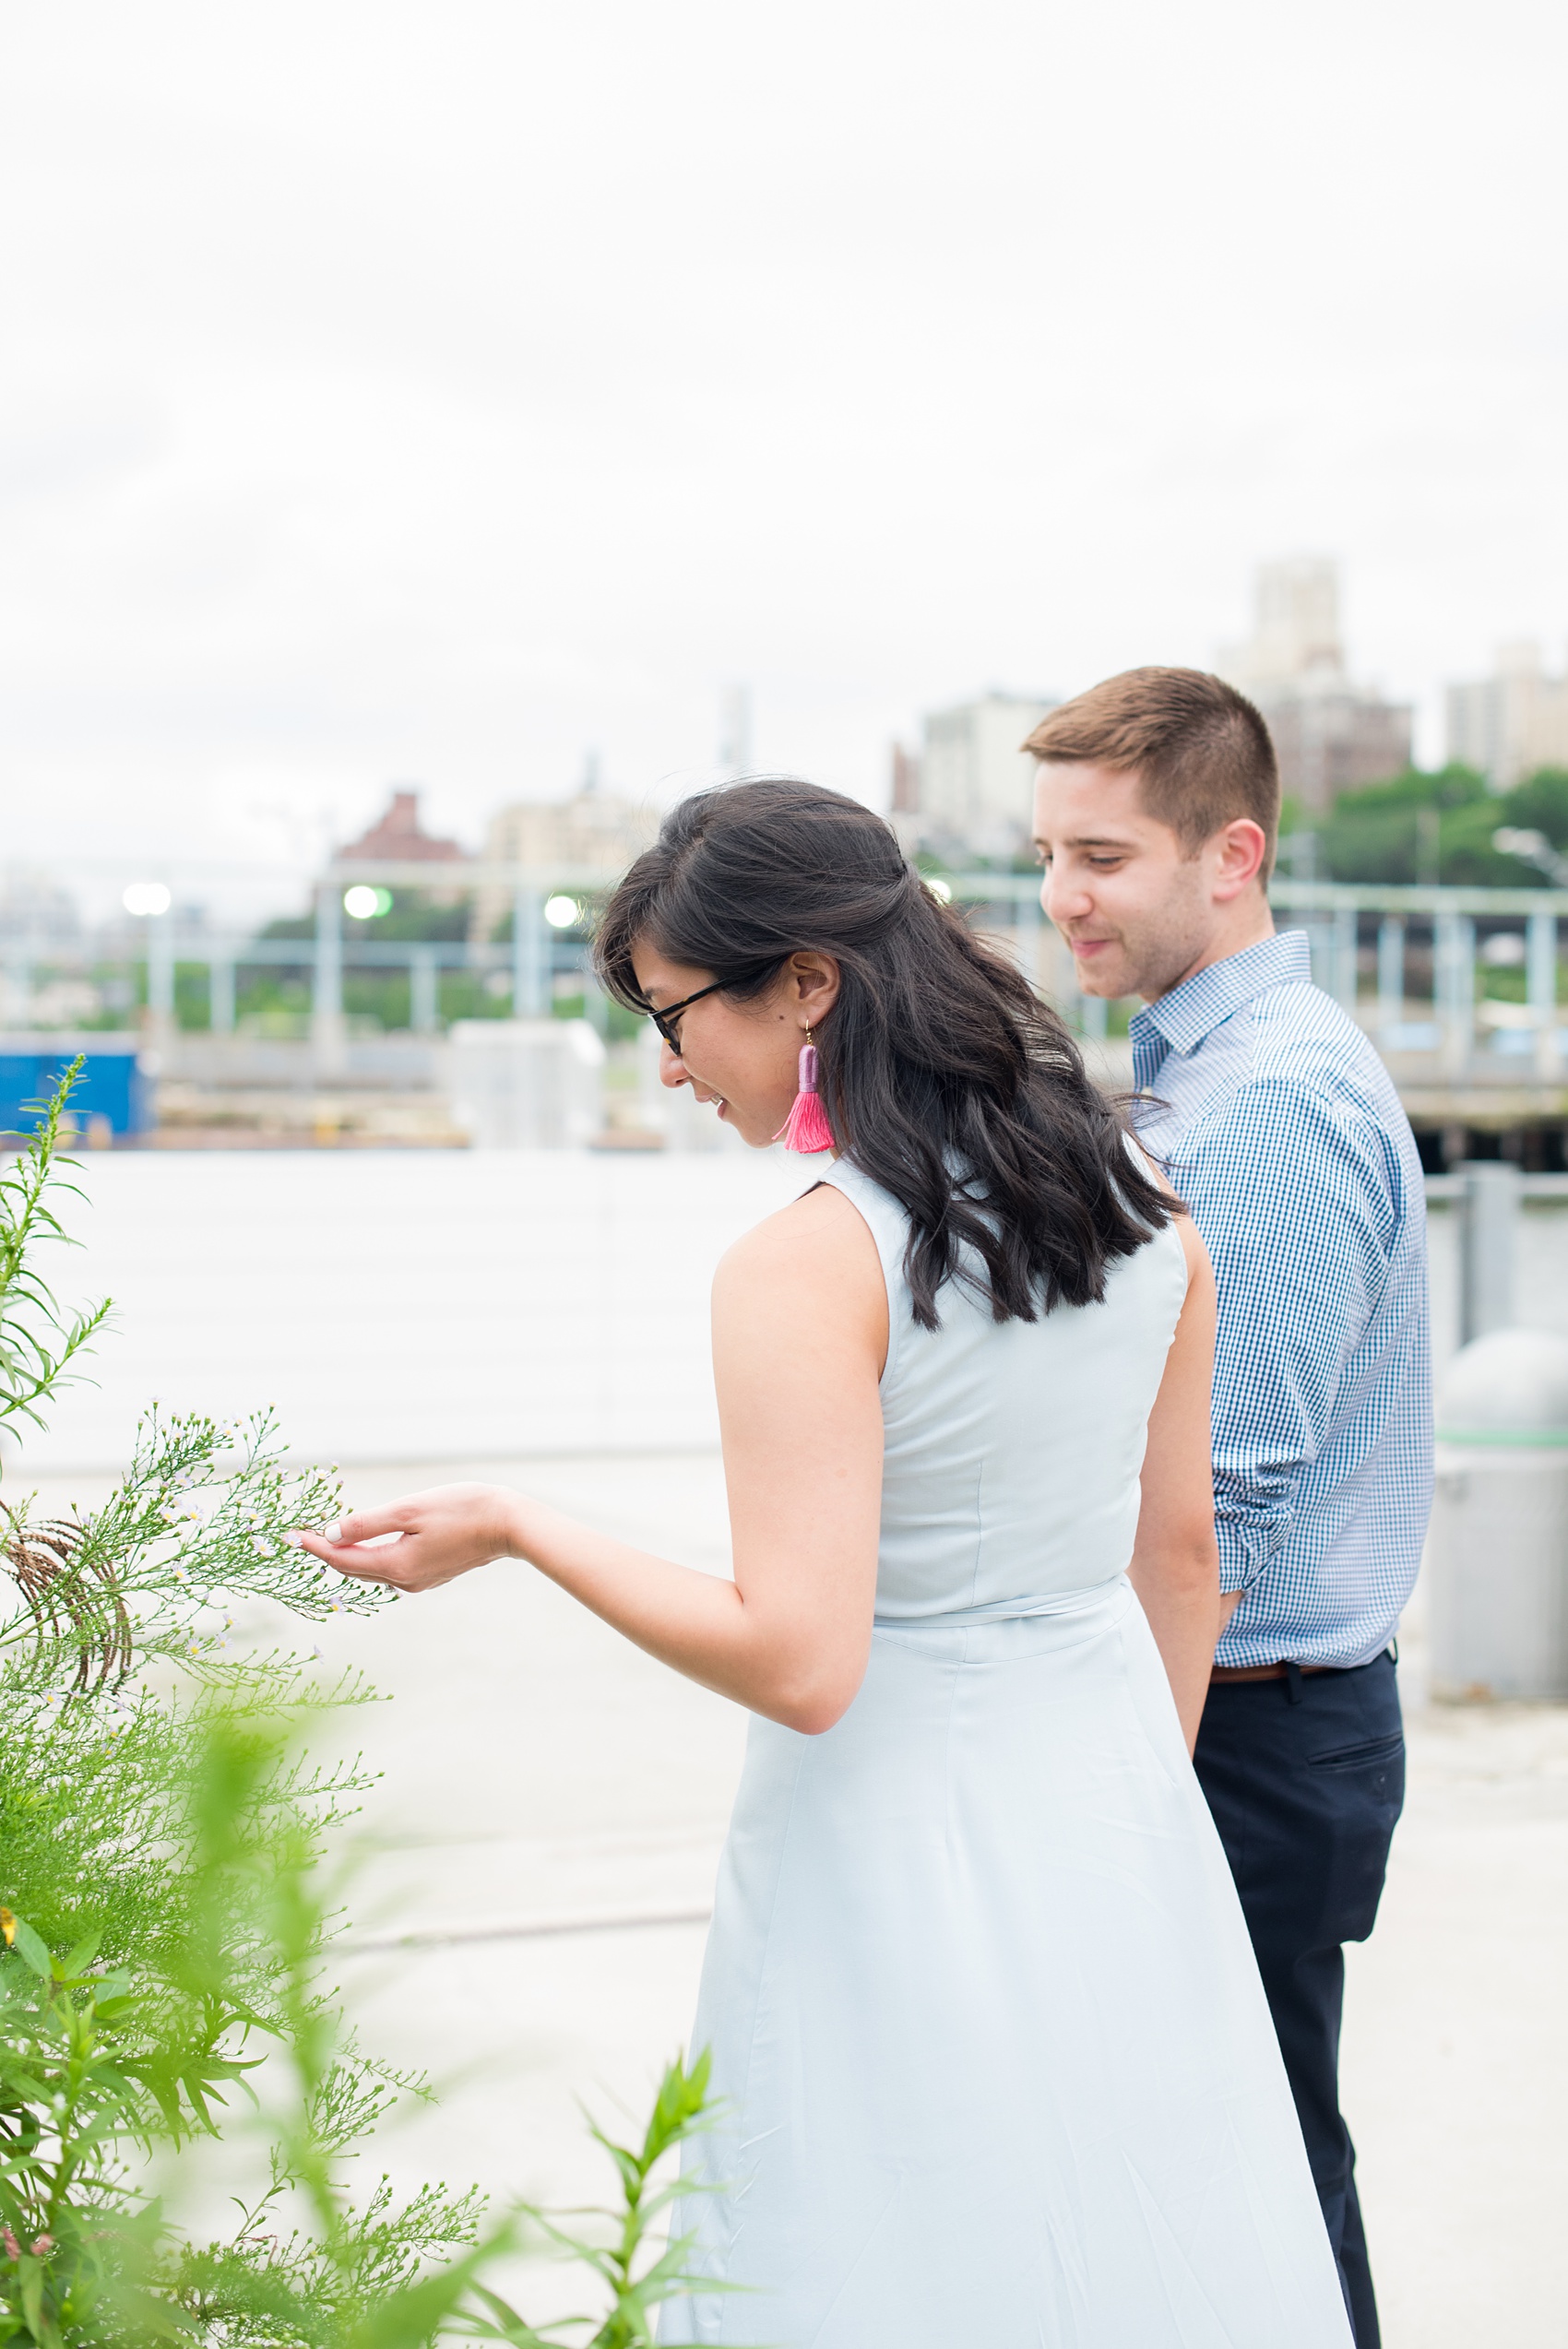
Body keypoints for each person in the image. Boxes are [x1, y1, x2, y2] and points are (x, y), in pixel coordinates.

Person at [296, 778, 1351, 2347]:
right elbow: (1183, 1559)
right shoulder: (1150, 1219)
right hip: (1121, 1809)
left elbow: (803, 1662)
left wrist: (526, 1528)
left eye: (676, 1018)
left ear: (807, 983)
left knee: (881, 2244)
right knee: (1138, 2239)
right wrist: (1135, 1794)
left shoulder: (806, 1260)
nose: (669, 1070)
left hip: (888, 1832)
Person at [1028, 670, 1431, 2349]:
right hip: (1243, 1717)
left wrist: (1116, 1757)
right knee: (1209, 2183)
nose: (1062, 897)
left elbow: (1223, 1506)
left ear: (1233, 854)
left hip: (1241, 1724)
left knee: (1251, 2186)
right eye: (1047, 852)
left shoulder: (1267, 1103)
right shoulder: (1199, 1072)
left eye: (1103, 855)